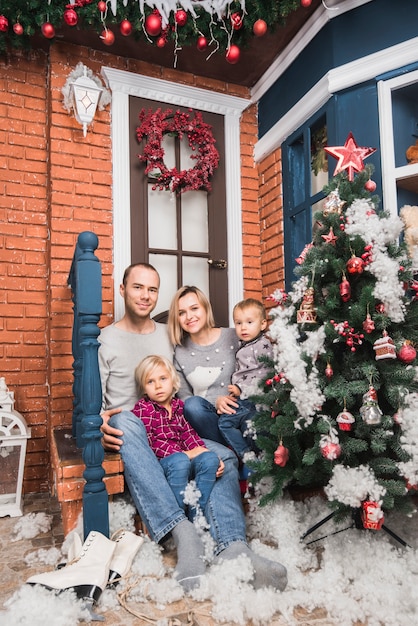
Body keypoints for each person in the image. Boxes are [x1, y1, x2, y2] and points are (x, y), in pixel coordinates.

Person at [99, 263, 287, 593]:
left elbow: (185, 389)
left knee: (224, 456)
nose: (145, 295)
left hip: (174, 428)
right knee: (126, 420)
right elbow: (90, 403)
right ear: (122, 290)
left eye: (152, 289)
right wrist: (98, 419)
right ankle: (182, 533)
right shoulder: (104, 339)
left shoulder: (167, 337)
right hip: (135, 429)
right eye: (138, 287)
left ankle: (233, 547)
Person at [132, 354, 221, 522]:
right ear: (144, 388)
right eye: (150, 382)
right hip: (164, 465)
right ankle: (177, 521)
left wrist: (208, 455)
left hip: (183, 461)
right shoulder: (144, 409)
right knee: (180, 459)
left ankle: (196, 516)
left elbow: (189, 435)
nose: (158, 386)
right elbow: (151, 444)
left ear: (172, 381)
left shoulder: (179, 407)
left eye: (163, 379)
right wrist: (188, 454)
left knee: (209, 458)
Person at [218, 298, 274, 464]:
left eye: (249, 322)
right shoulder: (245, 345)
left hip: (251, 397)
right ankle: (252, 457)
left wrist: (241, 388)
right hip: (244, 399)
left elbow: (267, 372)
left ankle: (246, 456)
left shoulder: (262, 345)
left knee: (225, 424)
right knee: (248, 428)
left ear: (263, 324)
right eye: (238, 323)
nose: (243, 327)